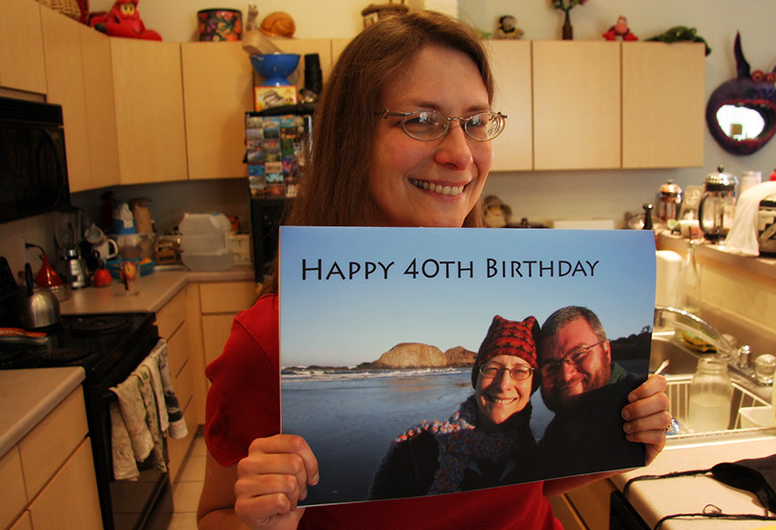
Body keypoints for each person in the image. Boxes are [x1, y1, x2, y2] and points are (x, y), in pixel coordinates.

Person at [197, 10, 670, 530]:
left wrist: (621, 443)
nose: (460, 154)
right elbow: (215, 516)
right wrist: (263, 522)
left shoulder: (514, 327)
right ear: (353, 138)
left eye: (474, 122)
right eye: (421, 120)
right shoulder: (267, 340)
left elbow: (516, 486)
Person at [369, 315, 542, 499]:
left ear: (533, 384)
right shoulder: (415, 452)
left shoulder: (540, 462)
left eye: (520, 371)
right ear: (477, 378)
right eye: (492, 369)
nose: (503, 384)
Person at [536, 305, 650, 480]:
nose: (566, 375)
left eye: (579, 354)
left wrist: (665, 427)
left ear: (606, 351)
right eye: (551, 366)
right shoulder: (559, 431)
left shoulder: (634, 404)